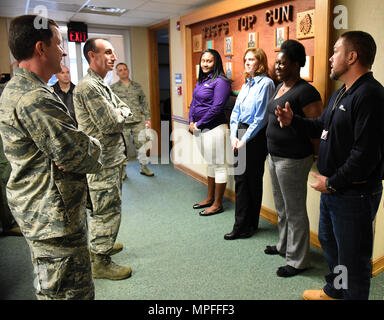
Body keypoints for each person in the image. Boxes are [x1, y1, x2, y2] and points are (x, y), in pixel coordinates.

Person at [0, 15, 103, 299]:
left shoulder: (17, 88)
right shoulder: (34, 98)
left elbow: (67, 151)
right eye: (59, 44)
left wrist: (70, 148)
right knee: (67, 293)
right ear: (40, 49)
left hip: (41, 210)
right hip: (52, 218)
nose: (65, 51)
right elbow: (80, 154)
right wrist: (91, 143)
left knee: (52, 287)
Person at [276, 31, 384, 300]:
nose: (330, 57)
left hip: (353, 193)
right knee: (330, 244)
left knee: (353, 260)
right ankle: (335, 290)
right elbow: (320, 125)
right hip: (334, 191)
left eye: (335, 51)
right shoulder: (342, 93)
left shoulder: (370, 94)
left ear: (352, 56)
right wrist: (294, 121)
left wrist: (332, 182)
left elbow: (365, 154)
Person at [73, 38, 133, 280]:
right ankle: (101, 260)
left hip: (111, 157)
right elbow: (110, 123)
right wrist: (120, 113)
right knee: (107, 210)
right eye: (107, 52)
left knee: (103, 207)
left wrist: (120, 111)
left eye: (114, 52)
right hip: (102, 161)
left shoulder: (101, 83)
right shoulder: (89, 87)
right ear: (92, 55)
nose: (113, 57)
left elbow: (124, 107)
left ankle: (101, 245)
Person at [264, 40, 322, 277]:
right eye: (276, 62)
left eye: (282, 62)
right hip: (275, 156)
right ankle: (284, 245)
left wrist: (317, 157)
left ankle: (298, 261)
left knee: (295, 209)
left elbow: (318, 128)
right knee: (282, 207)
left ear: (296, 64)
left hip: (294, 160)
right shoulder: (280, 86)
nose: (277, 66)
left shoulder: (307, 91)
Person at [224, 48, 275, 240]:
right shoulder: (247, 84)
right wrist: (233, 136)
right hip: (240, 134)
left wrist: (244, 139)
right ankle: (243, 224)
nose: (247, 62)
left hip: (254, 138)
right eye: (245, 59)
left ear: (260, 62)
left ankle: (246, 225)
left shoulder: (267, 84)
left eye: (252, 59)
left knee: (251, 181)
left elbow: (261, 117)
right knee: (241, 181)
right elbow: (235, 112)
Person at [189, 49, 231, 216]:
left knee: (219, 165)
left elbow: (217, 107)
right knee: (211, 164)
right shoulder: (202, 80)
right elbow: (194, 102)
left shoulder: (221, 82)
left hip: (215, 128)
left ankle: (218, 203)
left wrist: (199, 123)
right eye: (203, 61)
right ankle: (209, 198)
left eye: (209, 61)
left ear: (216, 63)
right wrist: (191, 121)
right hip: (199, 128)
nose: (205, 64)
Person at [111, 62, 154, 177]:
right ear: (117, 73)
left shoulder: (137, 86)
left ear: (128, 70)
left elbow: (144, 103)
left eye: (125, 69)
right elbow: (110, 106)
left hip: (137, 121)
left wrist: (148, 118)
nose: (123, 71)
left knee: (141, 145)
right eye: (120, 70)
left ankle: (144, 167)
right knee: (123, 147)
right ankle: (123, 171)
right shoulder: (113, 88)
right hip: (122, 122)